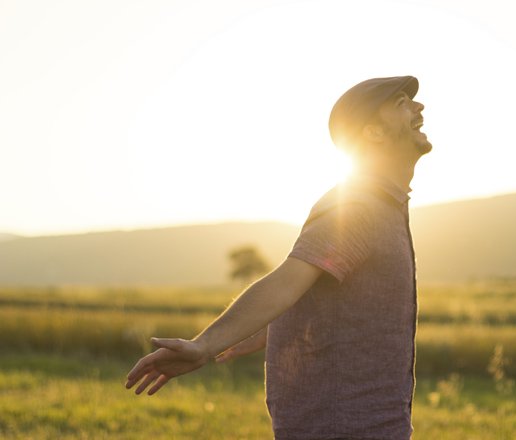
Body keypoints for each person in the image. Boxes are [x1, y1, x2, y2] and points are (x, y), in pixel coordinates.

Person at [125, 75, 432, 440]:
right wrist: (204, 345)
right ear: (374, 133)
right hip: (344, 427)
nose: (419, 106)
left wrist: (276, 327)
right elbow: (288, 280)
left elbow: (332, 290)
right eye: (400, 101)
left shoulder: (384, 206)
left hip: (376, 424)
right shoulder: (357, 206)